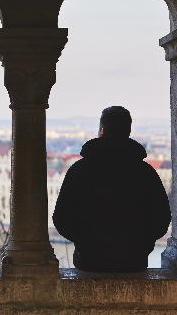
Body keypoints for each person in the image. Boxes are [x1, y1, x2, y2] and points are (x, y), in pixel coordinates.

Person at [53, 106, 171, 272]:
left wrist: (85, 243)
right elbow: (162, 218)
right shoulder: (145, 173)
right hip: (133, 263)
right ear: (128, 131)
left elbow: (61, 218)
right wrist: (140, 245)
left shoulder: (79, 170)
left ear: (101, 130)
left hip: (89, 262)